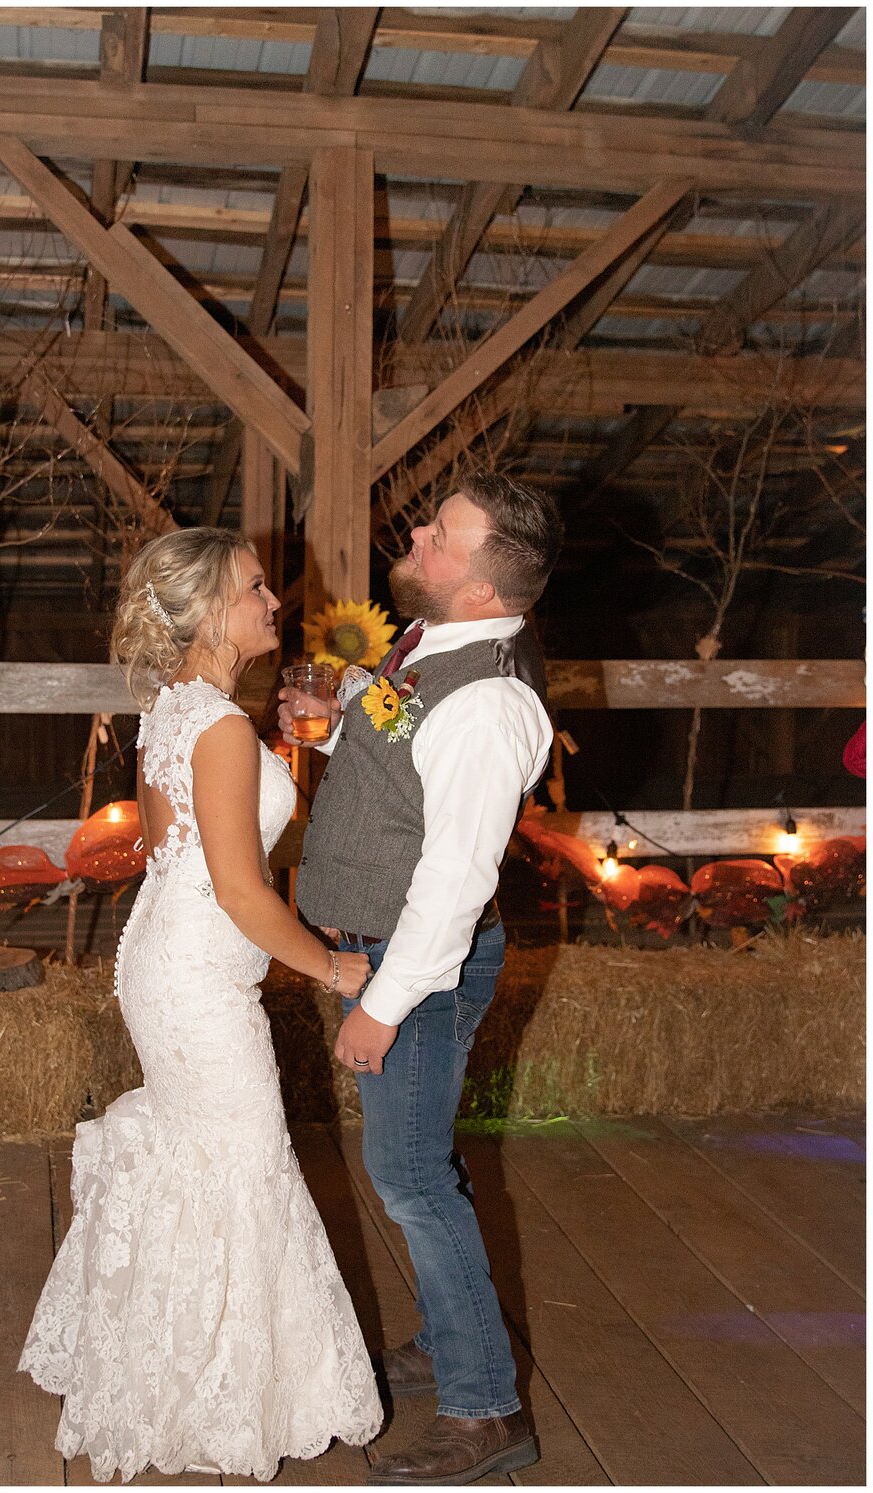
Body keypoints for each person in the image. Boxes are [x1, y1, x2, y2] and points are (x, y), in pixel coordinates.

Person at [19, 528, 382, 1484]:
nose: (274, 600)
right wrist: (333, 969)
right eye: (254, 587)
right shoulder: (216, 726)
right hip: (194, 980)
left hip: (168, 960)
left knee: (204, 1159)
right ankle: (211, 1395)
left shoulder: (174, 711)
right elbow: (241, 891)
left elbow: (191, 855)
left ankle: (167, 1376)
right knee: (242, 1160)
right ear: (211, 614)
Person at [280, 472, 563, 1487]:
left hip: (415, 966)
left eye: (441, 534)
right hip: (385, 950)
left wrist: (383, 1008)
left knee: (407, 1177)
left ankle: (486, 1407)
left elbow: (454, 880)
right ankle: (451, 1339)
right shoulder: (429, 644)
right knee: (418, 1165)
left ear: (483, 588)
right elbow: (405, 743)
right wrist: (338, 715)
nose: (417, 533)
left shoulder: (488, 702)